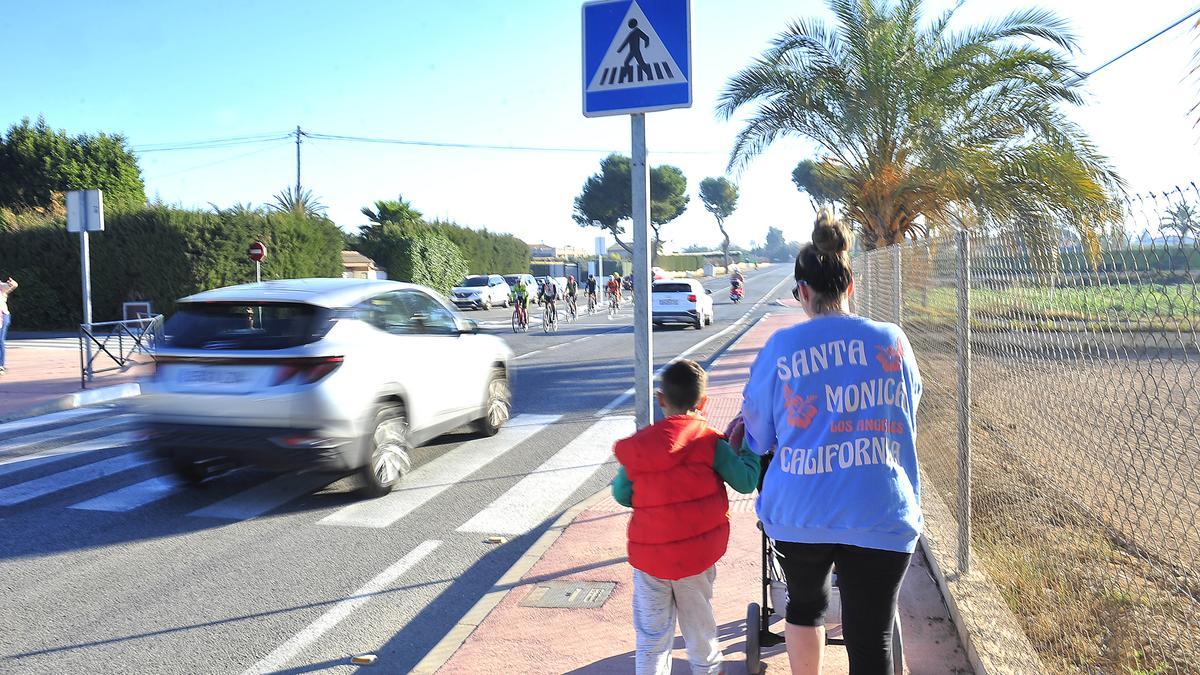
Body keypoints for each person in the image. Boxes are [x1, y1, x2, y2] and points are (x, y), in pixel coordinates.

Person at [727, 210, 922, 675]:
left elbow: (759, 433)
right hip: (881, 509)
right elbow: (908, 408)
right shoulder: (892, 341)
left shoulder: (780, 347)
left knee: (804, 607)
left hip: (801, 512)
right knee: (870, 631)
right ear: (850, 286)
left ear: (804, 292)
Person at [611, 359, 761, 675]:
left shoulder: (643, 447)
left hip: (650, 561)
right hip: (697, 560)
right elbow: (746, 481)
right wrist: (748, 445)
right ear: (703, 402)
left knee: (652, 640)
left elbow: (622, 494)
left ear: (660, 399)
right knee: (700, 632)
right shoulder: (709, 442)